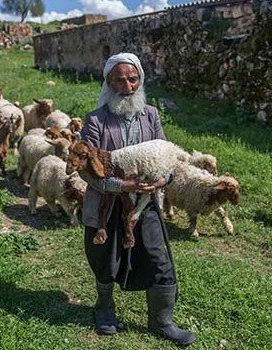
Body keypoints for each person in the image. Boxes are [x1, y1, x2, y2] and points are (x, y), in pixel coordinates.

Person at [79, 53, 195, 346]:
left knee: (160, 259)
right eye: (119, 79)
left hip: (146, 205)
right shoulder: (96, 121)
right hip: (107, 205)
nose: (127, 85)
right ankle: (104, 309)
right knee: (105, 260)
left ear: (140, 80)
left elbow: (167, 155)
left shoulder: (152, 115)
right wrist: (123, 184)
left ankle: (161, 322)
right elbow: (86, 170)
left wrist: (162, 180)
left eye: (133, 78)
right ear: (108, 82)